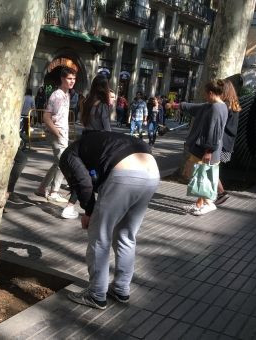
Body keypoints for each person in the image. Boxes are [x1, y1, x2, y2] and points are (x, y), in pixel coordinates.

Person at [60, 131, 159, 309]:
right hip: (151, 171)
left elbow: (83, 181)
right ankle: (121, 289)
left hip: (124, 174)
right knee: (126, 235)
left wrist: (89, 211)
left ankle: (96, 295)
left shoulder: (68, 155)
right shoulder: (100, 142)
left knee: (100, 236)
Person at [175, 79, 228, 216]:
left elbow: (214, 132)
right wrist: (177, 105)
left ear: (210, 93)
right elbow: (194, 108)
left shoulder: (216, 108)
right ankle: (199, 204)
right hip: (207, 149)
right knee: (202, 175)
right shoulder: (215, 105)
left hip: (206, 150)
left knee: (199, 176)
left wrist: (208, 151)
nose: (204, 96)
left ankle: (209, 203)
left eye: (205, 93)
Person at [61, 75, 111, 219]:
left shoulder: (87, 101)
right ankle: (84, 208)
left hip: (85, 138)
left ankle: (72, 206)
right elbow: (107, 127)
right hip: (98, 141)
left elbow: (82, 120)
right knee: (96, 174)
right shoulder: (102, 104)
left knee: (84, 173)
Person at [35, 67, 76, 203]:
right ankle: (54, 192)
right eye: (69, 78)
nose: (72, 81)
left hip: (61, 133)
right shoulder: (57, 95)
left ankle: (42, 188)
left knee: (57, 163)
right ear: (62, 79)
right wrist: (57, 133)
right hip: (57, 133)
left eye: (74, 79)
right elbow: (46, 117)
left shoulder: (66, 94)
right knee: (63, 163)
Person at [216, 80, 241, 205]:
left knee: (211, 169)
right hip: (228, 144)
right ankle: (217, 194)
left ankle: (221, 192)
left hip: (221, 143)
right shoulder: (234, 104)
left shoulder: (225, 105)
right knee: (213, 168)